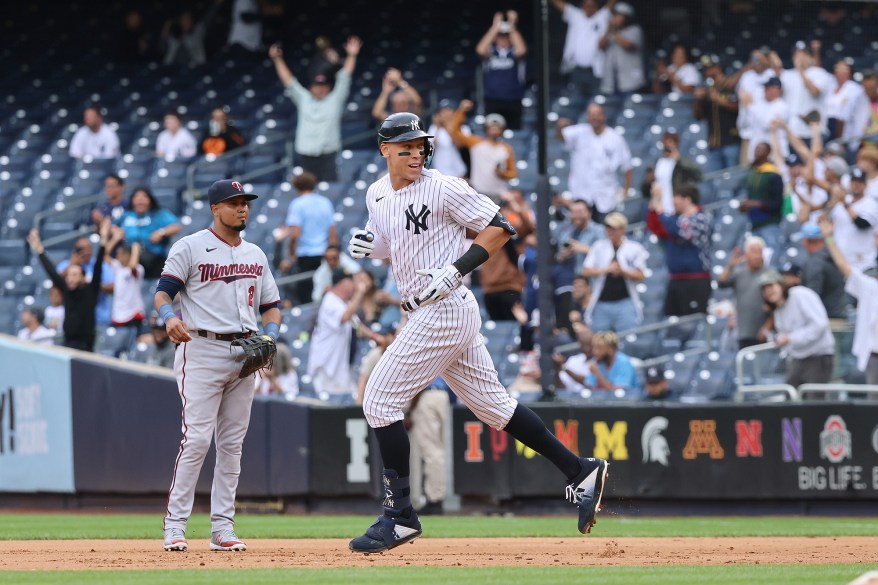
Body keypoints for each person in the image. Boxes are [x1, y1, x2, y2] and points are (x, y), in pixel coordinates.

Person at [345, 112, 609, 553]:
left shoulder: (443, 186)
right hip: (425, 311)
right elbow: (396, 244)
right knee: (495, 408)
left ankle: (400, 516)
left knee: (378, 400)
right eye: (405, 147)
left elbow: (501, 227)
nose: (415, 153)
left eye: (420, 145)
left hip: (444, 308)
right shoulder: (377, 193)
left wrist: (455, 269)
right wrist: (375, 248)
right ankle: (580, 470)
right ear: (385, 150)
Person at [154, 179, 281, 553]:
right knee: (195, 440)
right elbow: (164, 290)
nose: (242, 208)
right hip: (202, 348)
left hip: (246, 352)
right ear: (215, 208)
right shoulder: (190, 246)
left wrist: (270, 334)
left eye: (245, 202)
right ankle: (175, 526)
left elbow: (272, 305)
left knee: (232, 445)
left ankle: (222, 528)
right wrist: (167, 316)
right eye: (233, 203)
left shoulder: (256, 254)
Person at [269, 36, 362, 182]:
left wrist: (352, 55)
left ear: (328, 87)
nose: (319, 89)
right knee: (307, 190)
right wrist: (277, 60)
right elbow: (289, 82)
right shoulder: (304, 98)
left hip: (328, 154)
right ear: (311, 87)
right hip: (306, 154)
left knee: (330, 188)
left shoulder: (334, 99)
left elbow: (345, 77)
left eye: (323, 86)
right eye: (316, 85)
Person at [27, 222, 109, 352]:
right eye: (69, 275)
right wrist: (40, 250)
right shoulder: (66, 290)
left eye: (75, 275)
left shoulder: (91, 290)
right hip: (68, 342)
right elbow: (52, 273)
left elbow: (98, 266)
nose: (70, 278)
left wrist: (104, 240)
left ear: (83, 277)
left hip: (86, 343)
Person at [819, 216, 878, 384]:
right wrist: (829, 238)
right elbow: (844, 266)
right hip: (873, 357)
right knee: (873, 406)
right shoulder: (870, 287)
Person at [556, 103, 633, 222]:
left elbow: (627, 166)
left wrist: (626, 191)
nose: (594, 117)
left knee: (604, 231)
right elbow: (561, 138)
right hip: (581, 195)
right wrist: (559, 127)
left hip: (605, 196)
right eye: (591, 114)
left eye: (597, 114)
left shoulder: (615, 138)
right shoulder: (580, 132)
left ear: (604, 116)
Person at [759, 269, 835, 387]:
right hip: (797, 357)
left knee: (814, 400)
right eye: (764, 289)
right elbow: (785, 333)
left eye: (771, 286)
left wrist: (791, 338)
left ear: (781, 284)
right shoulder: (778, 309)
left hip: (818, 355)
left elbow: (819, 325)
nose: (768, 291)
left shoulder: (800, 295)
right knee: (791, 398)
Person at [647, 183, 713, 317]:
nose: (673, 204)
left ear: (687, 199)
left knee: (694, 321)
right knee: (673, 322)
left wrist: (661, 211)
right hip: (675, 279)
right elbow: (655, 226)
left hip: (696, 278)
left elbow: (680, 230)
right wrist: (655, 200)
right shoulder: (674, 219)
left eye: (676, 199)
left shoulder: (701, 218)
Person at [307, 268, 368, 399]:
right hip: (326, 364)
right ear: (343, 283)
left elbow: (358, 326)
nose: (354, 286)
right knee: (329, 408)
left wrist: (379, 338)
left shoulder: (344, 302)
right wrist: (360, 293)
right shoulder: (329, 300)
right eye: (351, 282)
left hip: (339, 365)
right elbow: (345, 317)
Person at [582, 212, 646, 332]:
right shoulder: (599, 246)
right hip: (602, 302)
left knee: (627, 338)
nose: (610, 232)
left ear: (622, 230)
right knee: (600, 340)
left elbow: (641, 275)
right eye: (608, 228)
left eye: (614, 229)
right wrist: (607, 269)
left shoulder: (634, 248)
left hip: (625, 302)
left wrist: (623, 272)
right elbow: (586, 270)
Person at [281, 171, 337, 305]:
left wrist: (291, 253)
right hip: (324, 254)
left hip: (305, 255)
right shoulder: (325, 202)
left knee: (306, 297)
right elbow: (332, 232)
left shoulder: (297, 204)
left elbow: (295, 234)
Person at [477, 190, 534, 321]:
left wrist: (515, 207)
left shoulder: (514, 226)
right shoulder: (486, 226)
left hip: (511, 286)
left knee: (515, 326)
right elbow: (467, 230)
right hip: (489, 288)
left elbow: (529, 228)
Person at [449, 99, 517, 203]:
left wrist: (502, 174)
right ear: (486, 129)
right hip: (478, 192)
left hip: (499, 194)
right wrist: (462, 110)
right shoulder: (475, 143)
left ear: (502, 130)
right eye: (491, 127)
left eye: (497, 127)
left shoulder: (506, 148)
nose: (494, 129)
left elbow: (513, 174)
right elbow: (455, 132)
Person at [554, 199, 604, 330]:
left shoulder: (599, 231)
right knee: (573, 319)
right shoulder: (566, 232)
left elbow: (606, 255)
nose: (577, 215)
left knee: (592, 317)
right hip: (573, 282)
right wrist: (564, 255)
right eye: (574, 212)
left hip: (592, 282)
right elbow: (559, 257)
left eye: (580, 212)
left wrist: (585, 249)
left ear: (589, 213)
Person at [774, 41, 837, 145]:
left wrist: (800, 70)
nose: (800, 58)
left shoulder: (819, 73)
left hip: (813, 133)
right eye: (797, 54)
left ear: (810, 57)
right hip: (791, 131)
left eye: (803, 54)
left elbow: (815, 91)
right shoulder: (787, 75)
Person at [475, 11, 527, 130]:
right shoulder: (491, 52)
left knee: (514, 131)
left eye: (506, 35)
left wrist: (512, 26)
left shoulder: (514, 52)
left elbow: (522, 50)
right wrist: (494, 28)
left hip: (513, 99)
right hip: (492, 99)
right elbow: (480, 50)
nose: (503, 38)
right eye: (500, 35)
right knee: (492, 131)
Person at [408, 376, 452, 515]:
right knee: (436, 449)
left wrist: (410, 411)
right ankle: (434, 497)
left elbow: (419, 381)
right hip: (441, 394)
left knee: (431, 452)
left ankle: (435, 500)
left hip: (426, 396)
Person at [552, 0, 614, 99]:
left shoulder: (602, 16)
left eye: (592, 6)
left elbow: (611, 3)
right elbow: (559, 3)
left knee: (596, 101)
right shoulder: (576, 15)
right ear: (582, 7)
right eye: (587, 5)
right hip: (576, 69)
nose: (589, 8)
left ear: (597, 7)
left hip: (595, 71)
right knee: (575, 100)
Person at [116, 187, 182, 278]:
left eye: (144, 197)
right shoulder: (127, 215)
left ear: (150, 200)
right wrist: (117, 232)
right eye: (137, 197)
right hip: (131, 260)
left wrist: (161, 232)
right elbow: (112, 226)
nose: (140, 200)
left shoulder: (158, 214)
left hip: (154, 260)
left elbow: (176, 227)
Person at [717, 237, 770, 349]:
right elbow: (721, 283)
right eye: (753, 252)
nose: (757, 256)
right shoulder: (739, 273)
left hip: (764, 332)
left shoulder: (770, 274)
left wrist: (768, 327)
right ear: (746, 255)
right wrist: (730, 265)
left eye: (759, 252)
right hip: (744, 331)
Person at [693, 55, 741, 172]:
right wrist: (697, 100)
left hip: (731, 140)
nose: (707, 73)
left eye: (709, 69)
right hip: (714, 144)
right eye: (704, 70)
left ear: (718, 68)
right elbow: (698, 116)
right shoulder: (707, 90)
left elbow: (740, 108)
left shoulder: (730, 85)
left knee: (733, 179)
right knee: (715, 182)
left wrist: (720, 100)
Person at [826, 167, 878, 274]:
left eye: (860, 182)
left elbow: (862, 224)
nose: (856, 185)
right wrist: (832, 202)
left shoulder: (871, 203)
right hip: (840, 262)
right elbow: (825, 221)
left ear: (865, 184)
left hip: (863, 264)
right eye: (854, 181)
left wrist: (844, 203)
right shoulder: (842, 201)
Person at [647, 129, 703, 214]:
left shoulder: (682, 162)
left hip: (677, 208)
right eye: (667, 141)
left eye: (672, 141)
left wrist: (679, 160)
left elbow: (698, 176)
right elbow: (645, 189)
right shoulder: (656, 163)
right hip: (660, 208)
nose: (669, 144)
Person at [798, 222, 846, 319]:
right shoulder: (834, 257)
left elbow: (812, 296)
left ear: (806, 241)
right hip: (840, 314)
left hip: (827, 319)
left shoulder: (815, 262)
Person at [740, 142, 784, 248]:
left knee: (771, 252)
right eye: (756, 149)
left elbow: (778, 202)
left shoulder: (773, 174)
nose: (757, 152)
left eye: (760, 150)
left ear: (768, 152)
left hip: (770, 222)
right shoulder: (751, 172)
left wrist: (757, 204)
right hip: (753, 222)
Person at [597, 2, 645, 96]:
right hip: (611, 83)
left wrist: (613, 32)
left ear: (627, 18)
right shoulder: (609, 32)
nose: (615, 18)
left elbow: (628, 45)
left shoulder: (635, 30)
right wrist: (608, 30)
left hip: (630, 83)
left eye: (619, 15)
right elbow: (600, 46)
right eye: (614, 15)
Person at [738, 77, 790, 163]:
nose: (765, 90)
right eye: (765, 87)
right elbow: (746, 123)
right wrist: (745, 105)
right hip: (757, 153)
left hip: (774, 154)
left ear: (777, 90)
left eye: (768, 88)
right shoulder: (760, 104)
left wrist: (750, 106)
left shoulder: (782, 106)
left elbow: (767, 125)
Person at [160, 2, 221, 68]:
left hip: (194, 69)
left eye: (189, 19)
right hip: (172, 71)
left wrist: (217, 4)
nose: (187, 22)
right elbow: (161, 49)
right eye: (184, 19)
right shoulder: (172, 38)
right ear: (179, 21)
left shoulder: (197, 32)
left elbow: (209, 17)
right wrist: (166, 28)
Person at [826, 60, 870, 147]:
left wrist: (839, 142)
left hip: (847, 133)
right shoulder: (831, 87)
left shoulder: (853, 88)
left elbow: (843, 116)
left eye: (844, 70)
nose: (840, 72)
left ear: (849, 73)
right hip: (828, 129)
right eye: (838, 69)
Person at [427, 100, 469, 178]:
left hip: (459, 172)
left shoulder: (463, 127)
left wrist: (446, 126)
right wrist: (438, 128)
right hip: (439, 172)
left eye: (448, 110)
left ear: (454, 112)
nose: (445, 114)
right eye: (442, 111)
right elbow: (429, 148)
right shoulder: (434, 128)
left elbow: (460, 146)